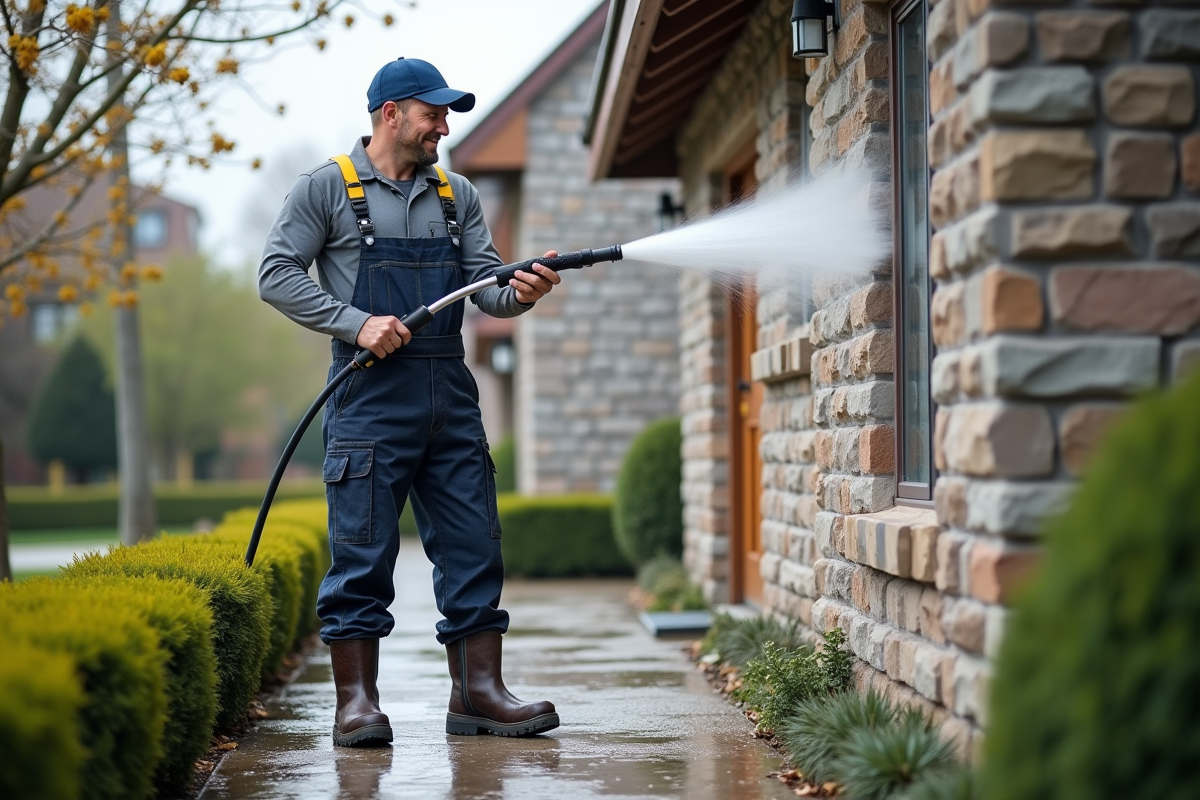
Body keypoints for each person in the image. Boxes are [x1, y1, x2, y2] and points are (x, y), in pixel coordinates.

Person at [259, 57, 561, 746]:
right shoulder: (325, 189)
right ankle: (357, 704)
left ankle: (478, 693)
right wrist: (355, 321)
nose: (444, 126)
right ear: (391, 114)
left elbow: (487, 287)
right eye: (433, 113)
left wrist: (520, 293)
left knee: (474, 544)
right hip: (367, 395)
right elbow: (275, 275)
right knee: (361, 552)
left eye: (446, 114)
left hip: (450, 391)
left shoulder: (457, 194)